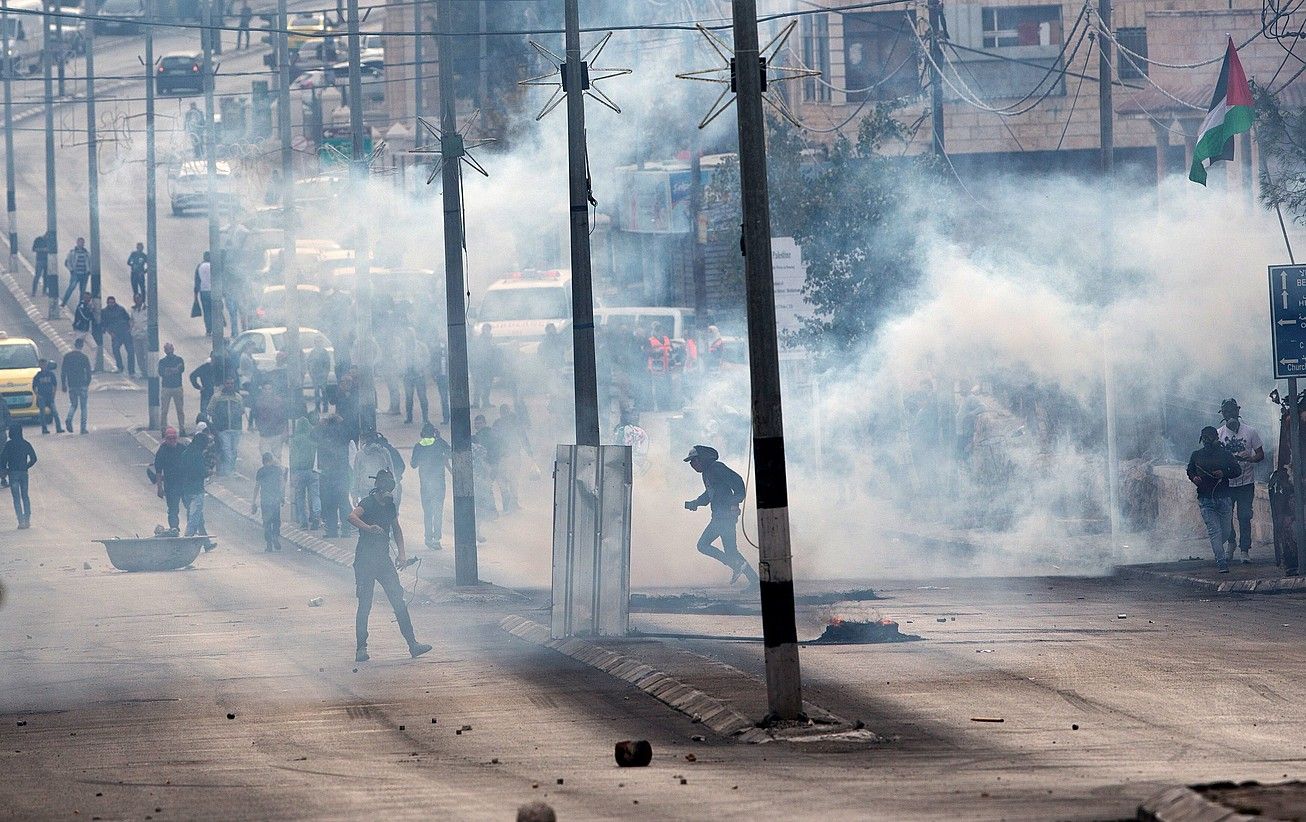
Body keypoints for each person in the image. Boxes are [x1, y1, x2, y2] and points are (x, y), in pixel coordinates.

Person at [348, 468, 432, 662]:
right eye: (385, 489)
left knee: (398, 601)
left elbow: (396, 529)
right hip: (365, 561)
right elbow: (351, 517)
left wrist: (402, 555)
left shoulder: (390, 506)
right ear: (378, 488)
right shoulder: (367, 503)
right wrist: (368, 528)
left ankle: (413, 644)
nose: (387, 493)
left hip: (383, 561)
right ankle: (361, 648)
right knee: (365, 604)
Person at [683, 444, 757, 586]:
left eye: (694, 461)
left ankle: (735, 565)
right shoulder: (707, 473)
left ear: (702, 459)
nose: (692, 465)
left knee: (703, 545)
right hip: (720, 516)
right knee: (731, 551)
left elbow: (738, 482)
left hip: (724, 517)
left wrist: (735, 502)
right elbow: (711, 494)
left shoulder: (716, 467)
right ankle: (753, 580)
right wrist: (696, 503)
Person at [1187, 425, 1244, 573]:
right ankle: (1221, 562)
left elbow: (1237, 470)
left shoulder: (1225, 455)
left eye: (1208, 438)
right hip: (1205, 500)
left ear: (1215, 438)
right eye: (1204, 438)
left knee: (1225, 531)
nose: (1206, 441)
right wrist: (1194, 478)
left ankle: (1220, 549)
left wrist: (1224, 473)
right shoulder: (1196, 455)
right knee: (1214, 531)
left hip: (1224, 498)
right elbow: (1190, 470)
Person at [1217, 398, 1265, 565]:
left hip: (1246, 482)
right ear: (1222, 414)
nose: (1229, 414)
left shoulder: (1250, 432)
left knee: (1244, 516)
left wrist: (1250, 459)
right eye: (1226, 411)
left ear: (1238, 411)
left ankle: (1244, 549)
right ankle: (1231, 542)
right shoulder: (1218, 434)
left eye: (1232, 410)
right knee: (1226, 516)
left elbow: (1261, 454)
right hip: (1226, 484)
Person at [410, 423, 450, 549]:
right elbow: (450, 453)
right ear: (434, 433)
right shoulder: (439, 444)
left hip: (425, 485)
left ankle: (428, 538)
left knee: (428, 512)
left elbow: (413, 464)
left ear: (422, 434)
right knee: (438, 511)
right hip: (439, 484)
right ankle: (437, 539)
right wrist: (439, 438)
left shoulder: (418, 446)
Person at [316, 413, 353, 538]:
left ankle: (332, 530)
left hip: (328, 474)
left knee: (330, 504)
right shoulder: (343, 434)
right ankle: (346, 530)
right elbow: (352, 433)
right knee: (343, 502)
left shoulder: (324, 434)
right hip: (342, 473)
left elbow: (314, 437)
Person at [180, 422, 214, 541]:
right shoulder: (198, 456)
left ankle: (206, 542)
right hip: (196, 490)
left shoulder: (185, 453)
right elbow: (200, 472)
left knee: (197, 516)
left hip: (186, 490)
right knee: (194, 517)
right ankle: (186, 540)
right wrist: (208, 472)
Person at [354, 430, 404, 508]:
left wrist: (355, 494)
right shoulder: (383, 452)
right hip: (375, 491)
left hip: (377, 491)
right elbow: (392, 473)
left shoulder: (383, 452)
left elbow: (356, 476)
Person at [0, 424, 36, 528]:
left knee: (16, 498)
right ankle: (27, 519)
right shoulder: (26, 444)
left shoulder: (9, 445)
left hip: (12, 473)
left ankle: (20, 521)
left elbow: (2, 460)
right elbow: (34, 458)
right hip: (24, 473)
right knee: (25, 496)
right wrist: (26, 466)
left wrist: (5, 470)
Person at [288, 417, 321, 530]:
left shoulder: (295, 440)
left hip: (299, 471)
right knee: (315, 496)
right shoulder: (313, 438)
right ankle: (316, 516)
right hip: (313, 471)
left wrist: (292, 473)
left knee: (300, 497)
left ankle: (303, 522)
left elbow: (293, 457)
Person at [207, 377, 244, 476]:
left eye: (232, 383)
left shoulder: (238, 397)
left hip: (236, 429)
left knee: (234, 450)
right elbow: (209, 410)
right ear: (224, 384)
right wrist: (218, 420)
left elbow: (242, 411)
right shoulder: (217, 397)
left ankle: (231, 468)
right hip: (223, 429)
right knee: (226, 449)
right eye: (228, 383)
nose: (230, 385)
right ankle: (228, 471)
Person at [152, 426, 187, 531]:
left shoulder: (182, 449)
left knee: (190, 507)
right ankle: (174, 529)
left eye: (174, 438)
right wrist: (160, 488)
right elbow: (158, 471)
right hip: (170, 485)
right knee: (173, 509)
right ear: (165, 439)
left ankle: (192, 529)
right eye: (169, 438)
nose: (172, 441)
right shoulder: (162, 452)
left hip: (184, 484)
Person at [253, 452, 285, 552]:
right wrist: (282, 497)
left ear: (263, 461)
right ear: (271, 460)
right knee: (276, 520)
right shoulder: (277, 470)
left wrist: (253, 501)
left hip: (265, 501)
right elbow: (281, 484)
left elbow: (257, 487)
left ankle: (269, 544)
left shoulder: (260, 471)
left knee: (266, 522)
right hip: (275, 500)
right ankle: (275, 536)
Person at [61, 338, 92, 435]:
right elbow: (88, 372)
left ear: (74, 344)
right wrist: (87, 383)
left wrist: (63, 384)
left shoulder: (67, 356)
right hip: (82, 384)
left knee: (73, 404)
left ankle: (69, 418)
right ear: (82, 346)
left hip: (72, 384)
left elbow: (63, 372)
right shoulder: (84, 357)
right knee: (83, 407)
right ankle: (83, 428)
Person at [158, 343, 186, 434]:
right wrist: (174, 369)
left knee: (180, 410)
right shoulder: (162, 361)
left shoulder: (179, 359)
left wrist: (169, 370)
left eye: (170, 349)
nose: (169, 351)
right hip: (166, 388)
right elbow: (163, 373)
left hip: (177, 387)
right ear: (165, 350)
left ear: (173, 349)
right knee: (164, 410)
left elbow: (180, 369)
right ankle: (163, 429)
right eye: (166, 349)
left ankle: (182, 429)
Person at [100, 296, 133, 375]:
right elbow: (104, 324)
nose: (111, 304)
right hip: (115, 334)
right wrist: (110, 333)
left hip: (125, 332)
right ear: (107, 303)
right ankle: (120, 367)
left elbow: (128, 319)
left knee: (130, 351)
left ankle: (131, 371)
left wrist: (130, 329)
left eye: (113, 302)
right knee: (115, 349)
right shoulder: (104, 312)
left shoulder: (121, 309)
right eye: (110, 303)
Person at [33, 359, 62, 435]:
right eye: (41, 365)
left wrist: (53, 394)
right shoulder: (37, 376)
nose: (43, 366)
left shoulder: (51, 374)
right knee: (42, 414)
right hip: (42, 396)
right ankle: (44, 428)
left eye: (44, 365)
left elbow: (55, 385)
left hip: (50, 396)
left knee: (55, 413)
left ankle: (59, 428)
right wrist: (38, 395)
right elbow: (34, 387)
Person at [60, 237, 91, 307]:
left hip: (84, 274)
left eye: (82, 242)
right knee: (71, 288)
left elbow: (90, 263)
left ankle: (81, 305)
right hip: (75, 274)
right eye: (80, 242)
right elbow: (67, 262)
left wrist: (89, 271)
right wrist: (71, 270)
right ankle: (64, 303)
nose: (81, 244)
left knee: (82, 291)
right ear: (77, 243)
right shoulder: (72, 252)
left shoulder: (87, 253)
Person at [71, 292, 100, 362]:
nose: (88, 299)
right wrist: (90, 310)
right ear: (84, 298)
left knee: (94, 347)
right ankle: (75, 363)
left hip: (86, 331)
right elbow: (85, 317)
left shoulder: (88, 306)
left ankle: (90, 364)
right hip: (79, 330)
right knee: (77, 349)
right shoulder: (81, 306)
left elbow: (92, 318)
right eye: (86, 298)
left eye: (89, 298)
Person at [307, 340, 331, 413]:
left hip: (323, 375)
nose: (318, 343)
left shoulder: (325, 352)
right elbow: (309, 363)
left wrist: (326, 373)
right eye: (317, 342)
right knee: (316, 392)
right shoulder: (313, 352)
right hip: (315, 375)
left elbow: (328, 364)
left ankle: (325, 407)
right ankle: (317, 407)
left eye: (320, 342)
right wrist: (311, 373)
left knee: (324, 391)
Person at [194, 251, 214, 334]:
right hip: (213, 292)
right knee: (214, 310)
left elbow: (197, 281)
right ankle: (216, 327)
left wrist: (195, 294)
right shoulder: (213, 266)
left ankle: (208, 329)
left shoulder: (200, 266)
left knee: (207, 312)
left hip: (203, 292)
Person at [130, 293, 148, 378]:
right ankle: (144, 372)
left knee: (147, 355)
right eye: (136, 298)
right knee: (139, 355)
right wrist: (132, 331)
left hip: (145, 336)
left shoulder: (147, 309)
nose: (137, 300)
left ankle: (149, 371)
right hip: (136, 336)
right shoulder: (133, 310)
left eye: (139, 298)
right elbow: (132, 321)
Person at [30, 231, 49, 297]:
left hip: (48, 261)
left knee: (46, 277)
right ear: (46, 235)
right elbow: (33, 249)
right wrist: (42, 249)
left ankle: (44, 291)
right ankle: (34, 291)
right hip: (40, 260)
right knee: (37, 276)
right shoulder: (38, 239)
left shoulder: (51, 242)